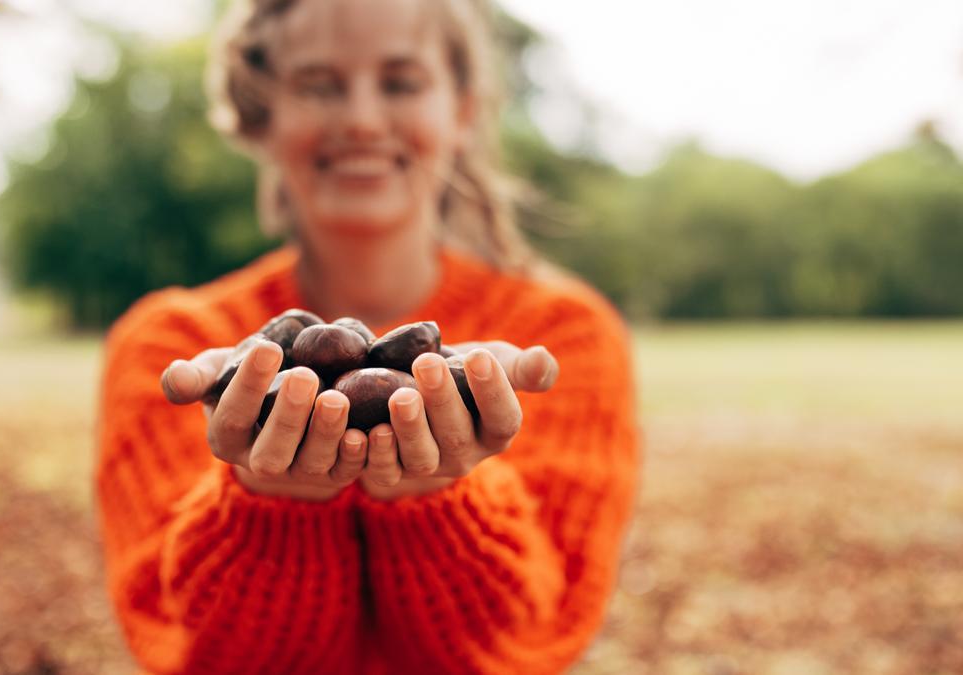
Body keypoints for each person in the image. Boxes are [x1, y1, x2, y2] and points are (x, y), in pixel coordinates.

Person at [95, 0, 640, 672]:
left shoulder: (563, 335)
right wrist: (269, 501)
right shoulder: (169, 343)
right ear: (259, 117)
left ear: (463, 111)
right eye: (318, 85)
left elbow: (530, 645)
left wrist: (433, 496)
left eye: (401, 82)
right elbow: (185, 648)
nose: (359, 119)